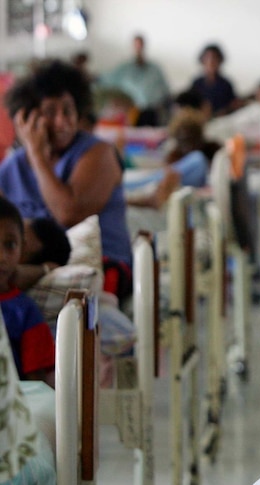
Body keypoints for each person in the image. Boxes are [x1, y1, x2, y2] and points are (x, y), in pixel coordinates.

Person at [0, 60, 133, 299]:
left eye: (68, 110)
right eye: (50, 112)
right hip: (39, 267)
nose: (63, 121)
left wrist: (36, 154)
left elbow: (68, 214)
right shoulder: (13, 166)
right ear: (28, 117)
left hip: (103, 266)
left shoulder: (98, 153)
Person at [0, 197, 54, 384]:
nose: (2, 257)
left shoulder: (24, 311)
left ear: (22, 249)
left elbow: (36, 382)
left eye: (10, 245)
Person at [99, 34, 172, 126]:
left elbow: (165, 89)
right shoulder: (124, 68)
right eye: (136, 45)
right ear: (133, 46)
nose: (139, 48)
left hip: (153, 111)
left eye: (141, 45)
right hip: (132, 111)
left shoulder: (155, 68)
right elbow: (106, 81)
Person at [190, 44, 238, 117]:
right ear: (203, 61)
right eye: (207, 58)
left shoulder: (226, 85)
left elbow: (232, 107)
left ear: (220, 61)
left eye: (214, 58)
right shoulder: (197, 83)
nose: (211, 62)